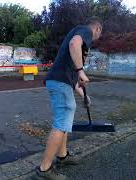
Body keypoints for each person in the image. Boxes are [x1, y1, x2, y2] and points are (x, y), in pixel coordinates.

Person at [35, 17, 103, 180]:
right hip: (59, 82)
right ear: (97, 29)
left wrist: (84, 96)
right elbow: (74, 43)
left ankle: (63, 156)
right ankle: (44, 169)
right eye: (99, 35)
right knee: (61, 122)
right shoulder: (86, 31)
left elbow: (73, 81)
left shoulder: (78, 34)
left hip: (60, 81)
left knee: (64, 121)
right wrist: (81, 71)